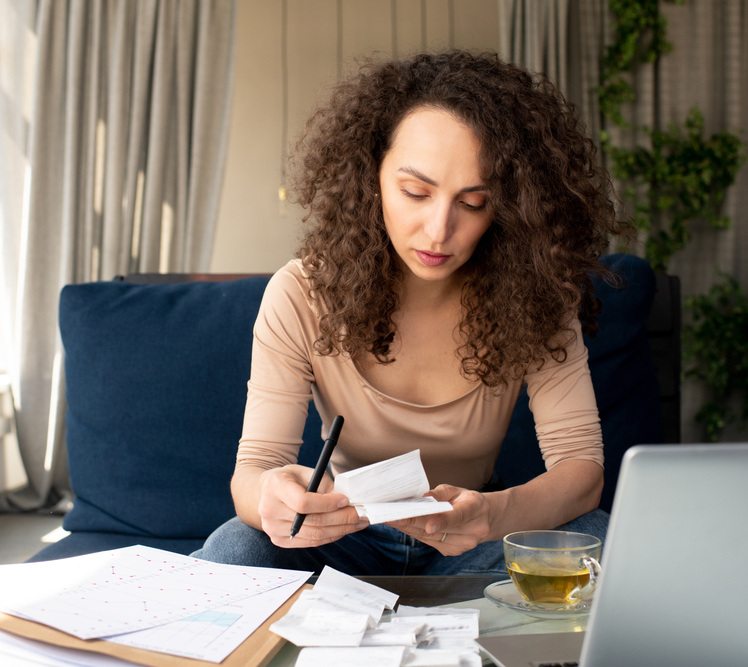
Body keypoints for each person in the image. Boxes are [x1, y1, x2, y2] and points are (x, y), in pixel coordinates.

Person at [191, 51, 628, 575]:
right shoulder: (301, 294)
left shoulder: (536, 295)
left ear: (510, 206)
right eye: (415, 192)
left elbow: (582, 472)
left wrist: (493, 513)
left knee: (602, 542)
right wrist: (274, 498)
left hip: (475, 542)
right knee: (237, 547)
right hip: (346, 539)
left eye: (473, 202)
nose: (439, 229)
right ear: (370, 176)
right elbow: (253, 473)